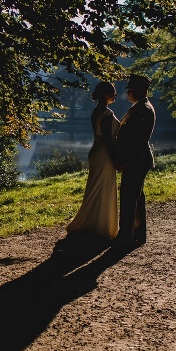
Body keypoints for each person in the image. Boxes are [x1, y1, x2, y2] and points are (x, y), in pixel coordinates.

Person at [66, 81, 121, 239]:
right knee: (103, 189)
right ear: (106, 94)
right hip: (104, 153)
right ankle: (100, 227)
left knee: (96, 188)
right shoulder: (106, 113)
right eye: (113, 92)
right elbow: (108, 139)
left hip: (96, 151)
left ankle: (93, 224)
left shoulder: (96, 111)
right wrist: (115, 158)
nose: (115, 95)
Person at [112, 74, 156, 247]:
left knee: (130, 197)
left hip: (136, 160)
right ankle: (136, 233)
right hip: (136, 159)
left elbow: (136, 139)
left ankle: (126, 236)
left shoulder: (143, 109)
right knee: (135, 196)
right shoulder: (138, 107)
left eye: (132, 89)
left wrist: (125, 160)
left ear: (142, 90)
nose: (128, 92)